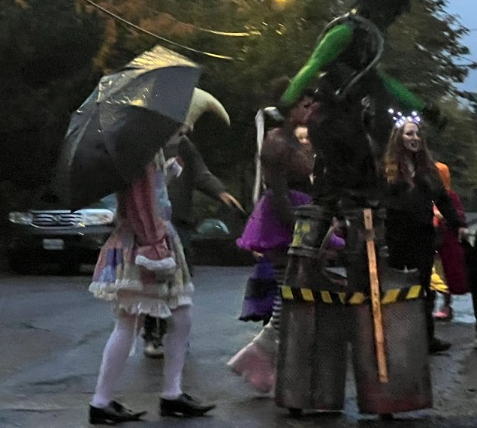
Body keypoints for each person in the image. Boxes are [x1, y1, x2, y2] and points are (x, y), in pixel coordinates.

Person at [276, 0, 445, 216]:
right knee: (348, 179)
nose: (391, 20)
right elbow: (312, 65)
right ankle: (332, 219)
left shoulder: (369, 44)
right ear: (379, 6)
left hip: (349, 120)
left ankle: (352, 226)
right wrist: (288, 100)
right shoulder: (344, 32)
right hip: (328, 119)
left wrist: (422, 107)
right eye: (391, 13)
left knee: (367, 173)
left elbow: (382, 81)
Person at [87, 149, 215, 424]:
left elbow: (149, 197)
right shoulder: (139, 155)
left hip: (150, 239)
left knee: (179, 316)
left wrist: (165, 175)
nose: (181, 131)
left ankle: (171, 394)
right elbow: (141, 205)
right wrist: (155, 247)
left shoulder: (145, 153)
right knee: (130, 320)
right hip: (146, 243)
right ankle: (102, 401)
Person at [227, 89, 343, 392]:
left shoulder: (296, 139)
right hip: (284, 221)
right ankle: (258, 355)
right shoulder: (277, 142)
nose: (309, 110)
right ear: (289, 107)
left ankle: (265, 358)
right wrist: (297, 230)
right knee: (289, 293)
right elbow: (277, 192)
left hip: (302, 216)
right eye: (304, 106)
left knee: (293, 293)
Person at [143, 89, 244, 359]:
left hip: (180, 222)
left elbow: (201, 173)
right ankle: (152, 332)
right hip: (151, 223)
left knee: (181, 278)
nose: (184, 130)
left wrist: (220, 191)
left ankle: (175, 333)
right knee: (154, 278)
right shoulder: (145, 145)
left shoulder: (184, 146)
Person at [382, 116, 465, 354]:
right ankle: (396, 337)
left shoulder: (428, 169)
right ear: (398, 137)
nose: (414, 138)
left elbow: (442, 198)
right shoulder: (387, 168)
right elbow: (377, 197)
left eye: (417, 134)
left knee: (423, 288)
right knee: (397, 286)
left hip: (422, 234)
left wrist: (457, 223)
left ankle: (427, 338)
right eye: (409, 134)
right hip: (396, 235)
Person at [432, 162, 468, 321]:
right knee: (431, 274)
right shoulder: (427, 194)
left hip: (446, 241)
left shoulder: (450, 196)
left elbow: (458, 216)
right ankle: (430, 307)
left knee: (444, 274)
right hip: (431, 239)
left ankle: (446, 306)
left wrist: (441, 216)